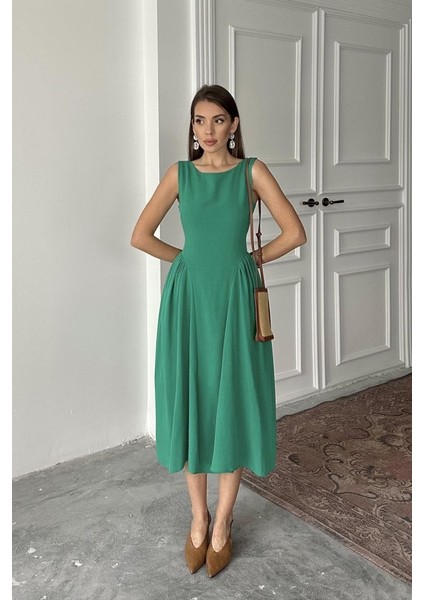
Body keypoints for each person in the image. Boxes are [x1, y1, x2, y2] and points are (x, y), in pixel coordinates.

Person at [131, 84, 307, 577]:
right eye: (199, 120)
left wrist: (248, 261)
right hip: (188, 300)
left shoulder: (252, 172)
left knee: (230, 401)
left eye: (217, 120)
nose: (207, 130)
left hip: (234, 297)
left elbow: (294, 232)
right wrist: (185, 262)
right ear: (192, 127)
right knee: (193, 398)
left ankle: (224, 520)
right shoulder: (180, 174)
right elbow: (141, 235)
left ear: (233, 125)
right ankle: (198, 517)